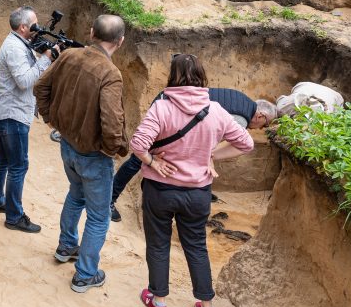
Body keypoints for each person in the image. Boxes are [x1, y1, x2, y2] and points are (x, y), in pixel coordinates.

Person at [130, 54, 254, 307]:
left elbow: (138, 143)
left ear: (173, 76)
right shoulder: (217, 110)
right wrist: (211, 154)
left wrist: (152, 162)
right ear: (201, 76)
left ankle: (159, 301)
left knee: (159, 244)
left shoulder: (162, 107)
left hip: (161, 190)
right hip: (197, 192)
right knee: (196, 246)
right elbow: (246, 144)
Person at [34, 14, 128, 294]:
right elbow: (112, 122)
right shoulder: (111, 74)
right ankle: (85, 274)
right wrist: (112, 151)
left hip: (68, 145)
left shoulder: (69, 56)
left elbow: (41, 86)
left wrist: (51, 120)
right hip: (93, 154)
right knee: (99, 217)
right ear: (120, 42)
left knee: (76, 195)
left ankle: (66, 246)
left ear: (91, 32)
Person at [109, 89, 277, 222]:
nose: (260, 129)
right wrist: (210, 156)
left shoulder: (242, 100)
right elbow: (216, 142)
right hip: (171, 109)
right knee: (139, 158)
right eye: (264, 125)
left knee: (154, 156)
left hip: (171, 102)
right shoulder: (241, 119)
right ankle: (109, 200)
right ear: (260, 115)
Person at [0, 6, 53, 234]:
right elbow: (25, 81)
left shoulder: (19, 42)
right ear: (23, 27)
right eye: (34, 24)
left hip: (6, 112)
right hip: (11, 115)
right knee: (18, 165)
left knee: (4, 158)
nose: (38, 27)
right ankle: (14, 217)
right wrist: (46, 58)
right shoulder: (14, 48)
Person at [276, 81, 343, 117]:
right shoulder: (284, 106)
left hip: (335, 97)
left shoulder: (326, 116)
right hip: (305, 86)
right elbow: (279, 105)